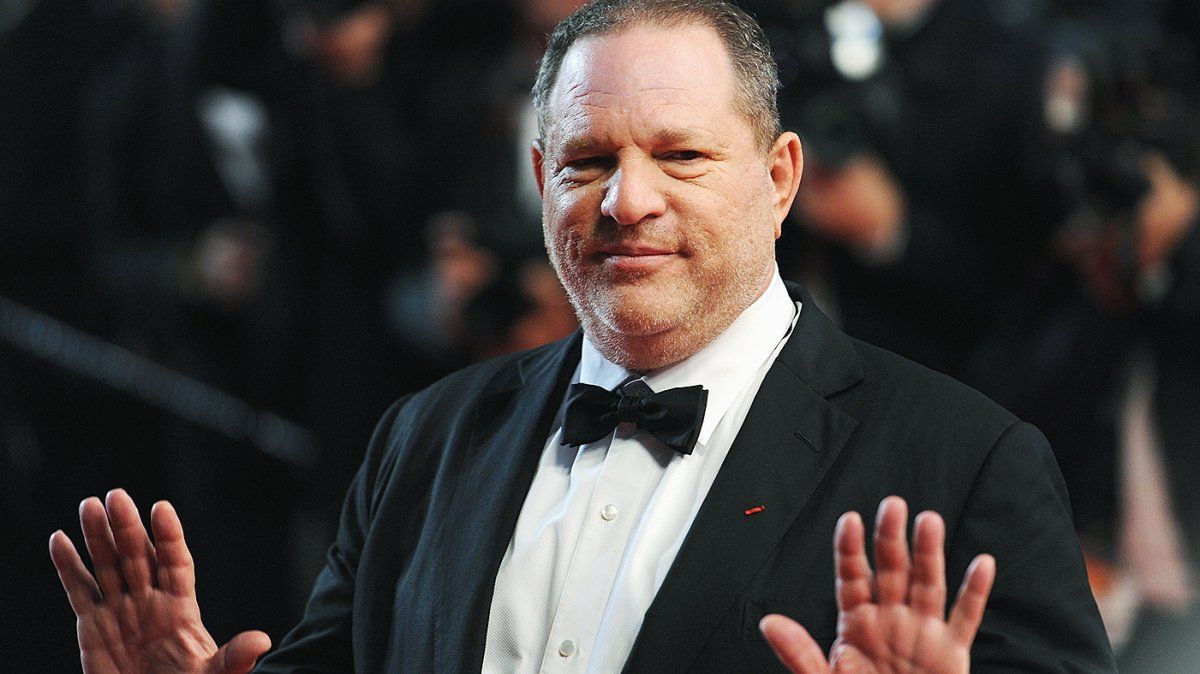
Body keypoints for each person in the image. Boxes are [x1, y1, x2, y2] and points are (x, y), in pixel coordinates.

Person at [48, 0, 1116, 671]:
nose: (627, 201)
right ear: (539, 180)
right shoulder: (422, 439)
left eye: (682, 156)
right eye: (588, 161)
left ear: (781, 178)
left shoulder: (964, 462)